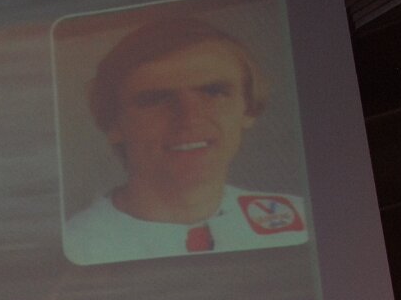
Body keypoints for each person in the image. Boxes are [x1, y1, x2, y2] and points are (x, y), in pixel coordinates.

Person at [63, 16, 307, 264]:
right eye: (156, 99)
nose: (190, 118)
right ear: (113, 124)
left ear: (248, 108)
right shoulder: (76, 247)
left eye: (213, 91)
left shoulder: (302, 221)